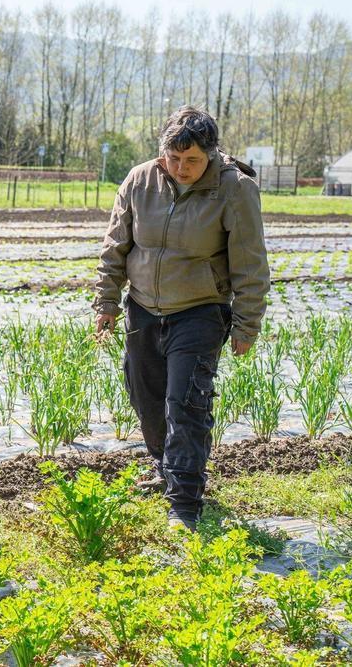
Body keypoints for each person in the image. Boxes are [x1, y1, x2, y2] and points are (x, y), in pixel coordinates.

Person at [93, 105, 269, 531]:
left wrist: (246, 324)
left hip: (200, 312)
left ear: (210, 154)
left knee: (186, 403)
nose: (181, 168)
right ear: (162, 154)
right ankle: (164, 468)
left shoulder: (234, 189)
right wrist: (106, 302)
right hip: (143, 309)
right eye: (173, 159)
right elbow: (116, 246)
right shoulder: (140, 180)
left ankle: (185, 503)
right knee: (146, 397)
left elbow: (251, 263)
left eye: (191, 160)